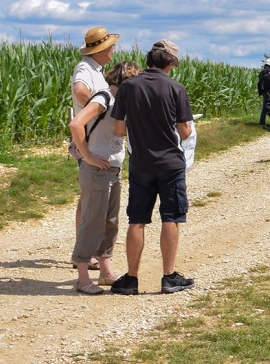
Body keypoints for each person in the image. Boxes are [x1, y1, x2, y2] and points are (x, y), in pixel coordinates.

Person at [109, 40, 195, 296]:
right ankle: (169, 276)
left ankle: (131, 279)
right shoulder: (176, 88)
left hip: (141, 163)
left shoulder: (128, 87)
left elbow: (118, 129)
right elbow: (185, 130)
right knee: (171, 217)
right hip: (170, 162)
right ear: (171, 62)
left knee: (137, 220)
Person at [67, 60, 139, 294]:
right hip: (97, 169)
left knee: (110, 222)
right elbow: (76, 124)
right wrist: (87, 157)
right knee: (92, 221)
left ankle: (106, 271)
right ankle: (82, 276)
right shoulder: (104, 98)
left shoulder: (118, 101)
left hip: (112, 168)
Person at [70, 25, 119, 272]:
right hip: (90, 143)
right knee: (91, 205)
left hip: (91, 141)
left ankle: (87, 253)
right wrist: (97, 108)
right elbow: (80, 90)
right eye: (110, 46)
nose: (113, 50)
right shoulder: (85, 69)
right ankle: (84, 254)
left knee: (90, 202)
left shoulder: (96, 69)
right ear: (102, 49)